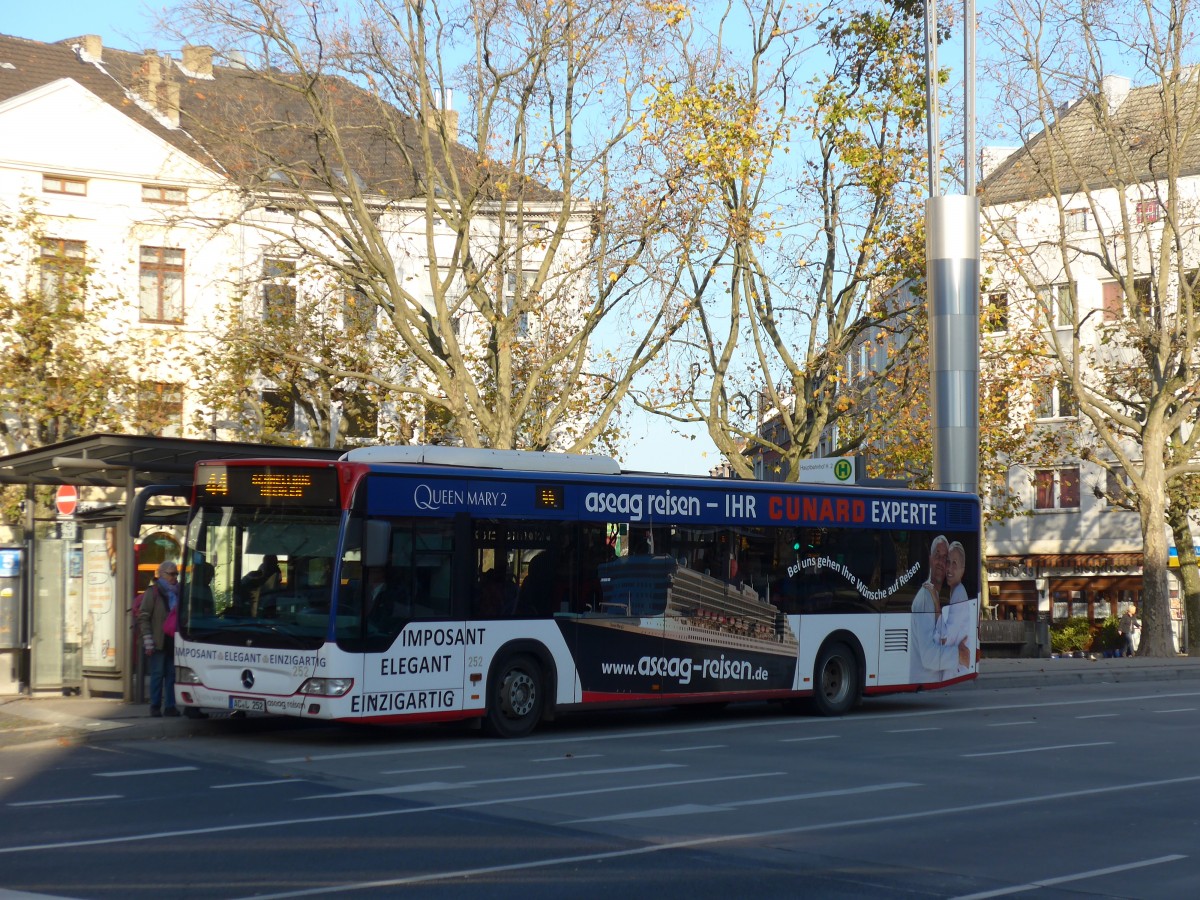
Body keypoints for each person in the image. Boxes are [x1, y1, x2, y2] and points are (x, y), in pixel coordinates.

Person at [910, 535, 967, 682]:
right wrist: (958, 655)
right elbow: (929, 656)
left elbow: (943, 637)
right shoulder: (925, 597)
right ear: (930, 559)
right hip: (924, 681)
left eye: (945, 558)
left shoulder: (952, 593)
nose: (942, 563)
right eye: (938, 556)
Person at [137, 561, 181, 717]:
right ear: (161, 574)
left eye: (176, 573)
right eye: (171, 574)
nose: (175, 577)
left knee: (171, 675)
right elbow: (143, 616)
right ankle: (155, 706)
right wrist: (148, 638)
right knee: (157, 674)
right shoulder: (153, 592)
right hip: (157, 640)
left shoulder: (178, 592)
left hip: (173, 640)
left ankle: (170, 706)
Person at [938, 541, 974, 678]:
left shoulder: (959, 594)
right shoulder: (954, 592)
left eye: (955, 564)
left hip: (955, 668)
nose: (949, 569)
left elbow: (946, 638)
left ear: (962, 569)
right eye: (948, 562)